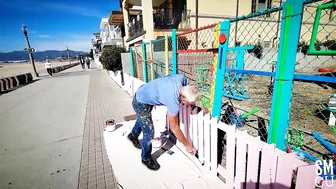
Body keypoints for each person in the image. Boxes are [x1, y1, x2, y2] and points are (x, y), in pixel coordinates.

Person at [127, 74, 200, 171]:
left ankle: (132, 135)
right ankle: (145, 158)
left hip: (145, 91)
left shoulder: (181, 78)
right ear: (182, 97)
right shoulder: (173, 101)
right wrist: (187, 145)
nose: (189, 105)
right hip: (140, 102)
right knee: (149, 133)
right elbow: (174, 127)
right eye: (189, 103)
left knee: (142, 119)